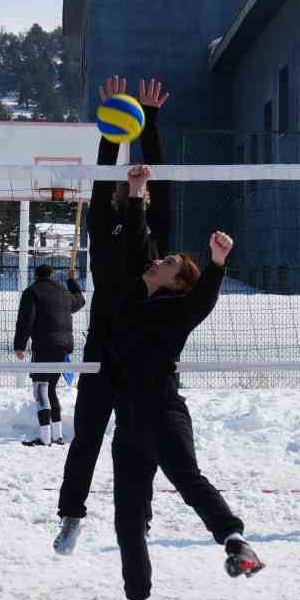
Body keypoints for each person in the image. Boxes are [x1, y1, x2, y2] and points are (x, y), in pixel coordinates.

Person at [106, 166, 264, 600]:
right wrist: (135, 195)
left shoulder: (176, 310)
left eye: (169, 261)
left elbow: (202, 302)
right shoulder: (134, 298)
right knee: (128, 522)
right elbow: (136, 247)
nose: (159, 260)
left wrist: (216, 263)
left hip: (163, 409)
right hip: (130, 418)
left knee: (186, 476)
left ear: (177, 283)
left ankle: (236, 542)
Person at [54, 77, 172, 557]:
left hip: (142, 352)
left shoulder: (156, 233)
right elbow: (104, 174)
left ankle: (140, 519)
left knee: (137, 444)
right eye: (122, 183)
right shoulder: (105, 226)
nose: (128, 181)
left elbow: (159, 174)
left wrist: (151, 120)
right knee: (86, 436)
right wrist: (113, 129)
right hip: (103, 344)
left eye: (135, 181)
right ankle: (71, 518)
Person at [14, 263, 86, 447]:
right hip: (63, 347)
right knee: (51, 388)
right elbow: (80, 301)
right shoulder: (63, 291)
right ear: (52, 275)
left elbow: (25, 320)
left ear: (36, 276)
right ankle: (58, 435)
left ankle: (45, 437)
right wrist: (72, 281)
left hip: (45, 346)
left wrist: (19, 345)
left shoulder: (32, 292)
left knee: (40, 389)